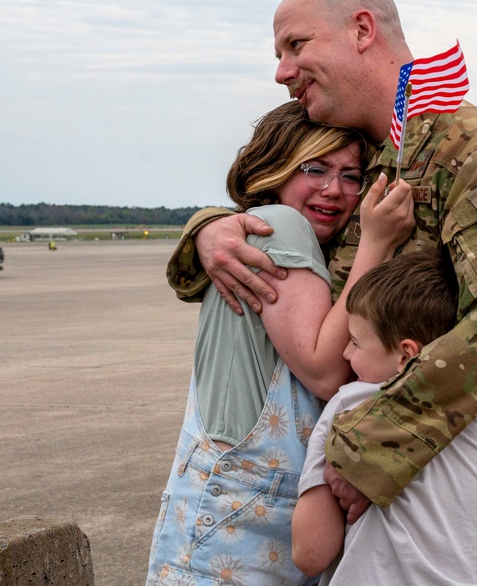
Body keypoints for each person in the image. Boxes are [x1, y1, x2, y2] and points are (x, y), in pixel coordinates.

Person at [166, 0, 477, 584]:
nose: (281, 71)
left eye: (296, 46)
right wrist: (212, 228)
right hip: (382, 534)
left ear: (361, 30)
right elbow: (292, 225)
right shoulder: (382, 153)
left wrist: (366, 450)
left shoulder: (476, 154)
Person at [147, 100, 414, 586]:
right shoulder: (279, 226)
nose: (334, 189)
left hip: (247, 519)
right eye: (315, 168)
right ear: (275, 170)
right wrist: (377, 242)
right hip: (235, 523)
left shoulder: (307, 245)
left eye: (351, 176)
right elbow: (324, 369)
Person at [292, 249, 477, 584]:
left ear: (407, 354)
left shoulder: (351, 404)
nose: (346, 354)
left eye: (356, 343)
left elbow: (311, 553)